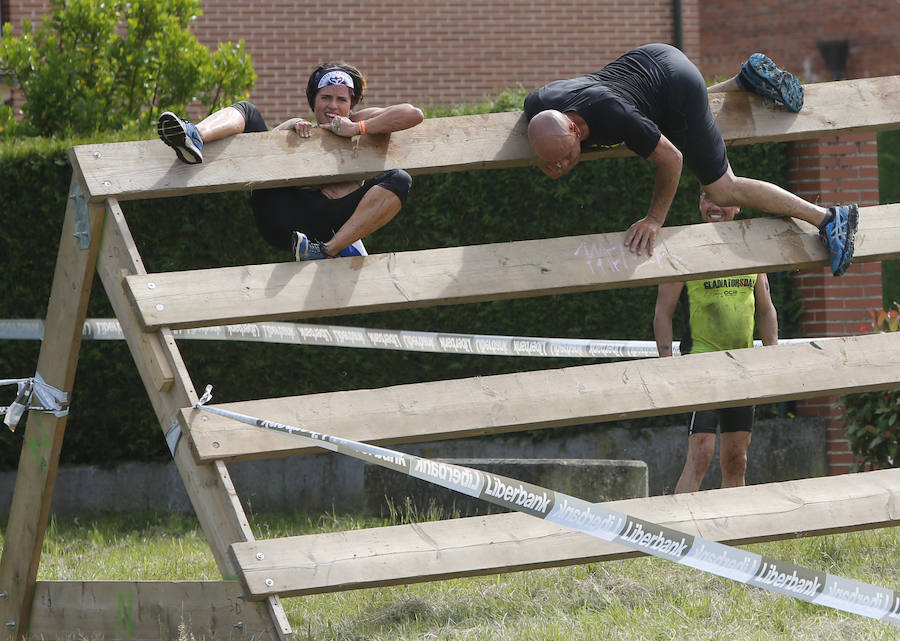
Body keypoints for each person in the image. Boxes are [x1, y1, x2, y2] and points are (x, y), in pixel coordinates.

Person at [523, 45, 858, 277]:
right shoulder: (537, 103)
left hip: (676, 87)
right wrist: (551, 159)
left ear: (574, 127)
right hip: (655, 61)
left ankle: (829, 219)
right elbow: (546, 136)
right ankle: (746, 81)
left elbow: (672, 159)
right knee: (679, 116)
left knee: (723, 190)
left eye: (568, 156)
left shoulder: (615, 115)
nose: (565, 164)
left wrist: (654, 219)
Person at [156, 62, 424, 260]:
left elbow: (412, 114)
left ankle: (326, 250)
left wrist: (358, 129)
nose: (333, 106)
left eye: (341, 99)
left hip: (319, 224)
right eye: (325, 98)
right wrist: (286, 136)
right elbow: (259, 164)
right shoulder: (298, 128)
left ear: (351, 104)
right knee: (248, 111)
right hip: (278, 212)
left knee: (399, 179)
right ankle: (193, 136)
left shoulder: (357, 121)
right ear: (314, 101)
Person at [654, 192, 778, 493]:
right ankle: (681, 533)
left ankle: (732, 534)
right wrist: (666, 363)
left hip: (742, 368)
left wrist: (775, 359)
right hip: (700, 364)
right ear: (699, 204)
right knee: (701, 453)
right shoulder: (684, 251)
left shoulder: (750, 250)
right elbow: (662, 311)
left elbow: (765, 308)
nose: (714, 207)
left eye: (722, 200)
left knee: (737, 460)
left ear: (738, 206)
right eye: (708, 199)